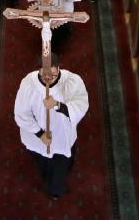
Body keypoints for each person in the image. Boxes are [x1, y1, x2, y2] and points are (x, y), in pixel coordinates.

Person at [14, 53, 89, 199]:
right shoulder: (29, 83)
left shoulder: (71, 81)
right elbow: (21, 114)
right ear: (39, 70)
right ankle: (51, 185)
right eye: (44, 75)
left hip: (62, 136)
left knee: (62, 165)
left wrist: (57, 105)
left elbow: (81, 104)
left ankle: (56, 187)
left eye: (53, 75)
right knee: (44, 164)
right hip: (38, 140)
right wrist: (40, 134)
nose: (48, 78)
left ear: (59, 68)